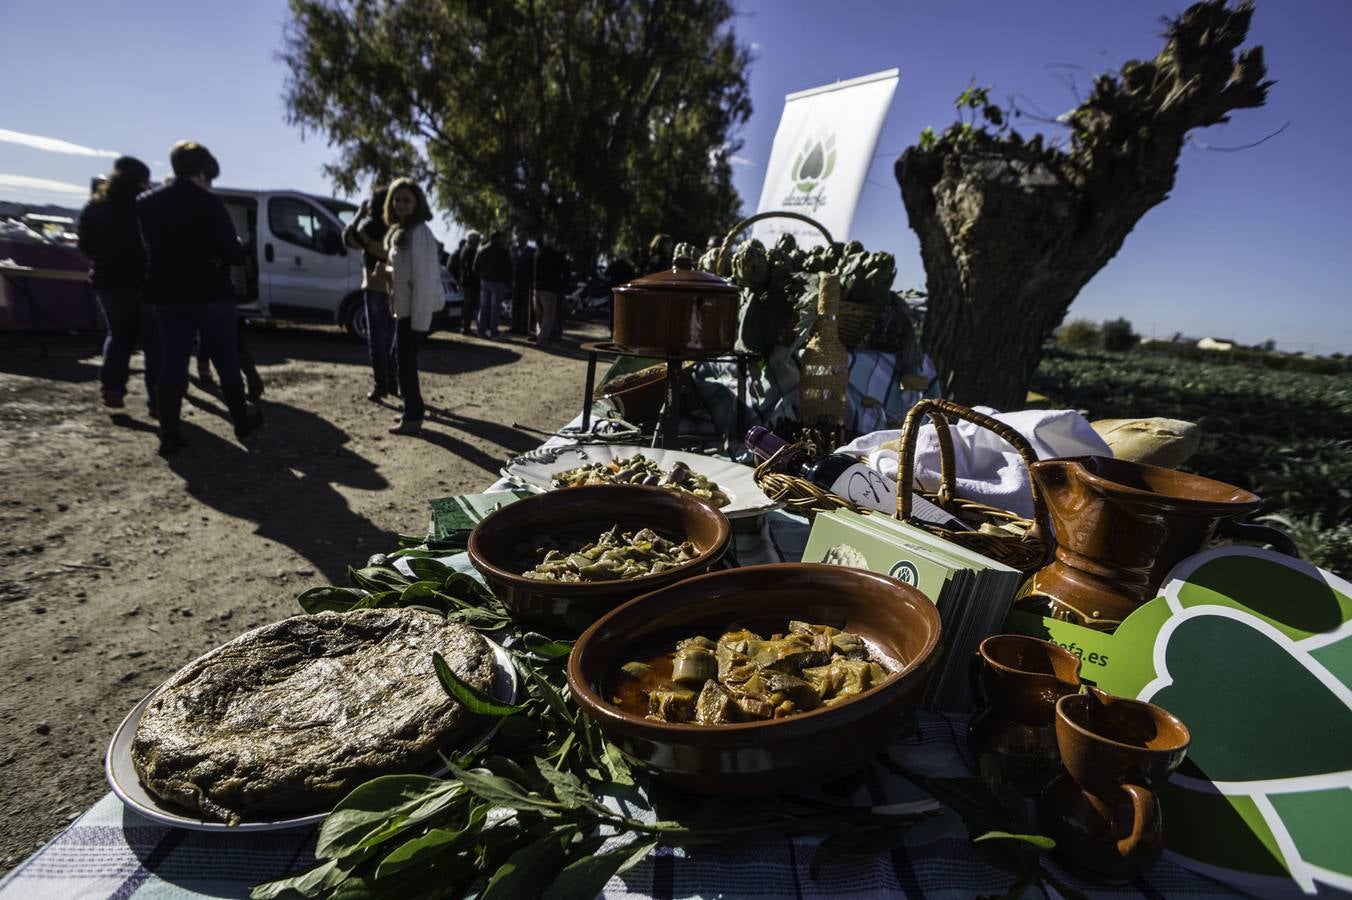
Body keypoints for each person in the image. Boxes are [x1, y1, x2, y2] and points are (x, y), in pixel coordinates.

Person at [137, 141, 262, 455]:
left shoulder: (146, 202)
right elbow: (231, 254)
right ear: (204, 170)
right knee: (224, 358)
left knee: (173, 361)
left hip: (166, 293)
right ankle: (241, 421)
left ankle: (169, 434)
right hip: (210, 293)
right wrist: (240, 246)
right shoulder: (209, 204)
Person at [78, 155, 158, 415]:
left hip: (108, 280)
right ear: (142, 180)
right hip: (145, 280)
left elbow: (85, 246)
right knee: (153, 341)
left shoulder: (95, 206)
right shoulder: (147, 205)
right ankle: (158, 399)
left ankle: (112, 387)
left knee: (118, 335)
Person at [380, 178, 442, 436]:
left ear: (416, 203)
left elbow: (424, 279)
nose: (401, 204)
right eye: (397, 199)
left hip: (415, 311)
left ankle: (413, 416)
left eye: (406, 200)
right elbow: (405, 271)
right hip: (405, 310)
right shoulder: (402, 231)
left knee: (403, 361)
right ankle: (412, 408)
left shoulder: (419, 233)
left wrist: (419, 322)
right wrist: (387, 272)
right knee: (399, 358)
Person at [343, 186, 398, 401]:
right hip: (394, 288)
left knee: (376, 338)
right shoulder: (396, 228)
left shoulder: (369, 229)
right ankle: (394, 382)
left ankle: (380, 385)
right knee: (392, 339)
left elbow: (348, 238)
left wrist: (358, 214)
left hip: (374, 287)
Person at [474, 230, 512, 339]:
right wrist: (508, 283)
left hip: (485, 281)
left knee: (484, 306)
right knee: (495, 308)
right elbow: (509, 268)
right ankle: (494, 332)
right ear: (497, 238)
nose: (504, 240)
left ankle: (481, 331)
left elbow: (475, 267)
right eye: (502, 238)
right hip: (498, 282)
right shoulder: (503, 251)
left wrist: (481, 277)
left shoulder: (482, 249)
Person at [532, 234, 568, 349]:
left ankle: (540, 336)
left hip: (537, 288)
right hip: (549, 290)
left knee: (539, 315)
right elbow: (563, 269)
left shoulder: (537, 253)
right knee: (548, 316)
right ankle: (542, 340)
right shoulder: (556, 255)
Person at [509, 233, 534, 334]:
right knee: (515, 306)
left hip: (526, 282)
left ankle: (525, 328)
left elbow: (533, 268)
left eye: (523, 238)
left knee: (526, 307)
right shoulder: (512, 249)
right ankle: (515, 327)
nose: (520, 241)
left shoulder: (531, 251)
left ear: (526, 240)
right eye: (519, 239)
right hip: (515, 282)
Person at [458, 231, 481, 335]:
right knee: (469, 307)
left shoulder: (464, 249)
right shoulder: (471, 251)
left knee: (467, 306)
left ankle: (465, 327)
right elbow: (473, 268)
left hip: (466, 281)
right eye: (477, 238)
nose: (479, 240)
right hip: (471, 282)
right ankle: (466, 328)